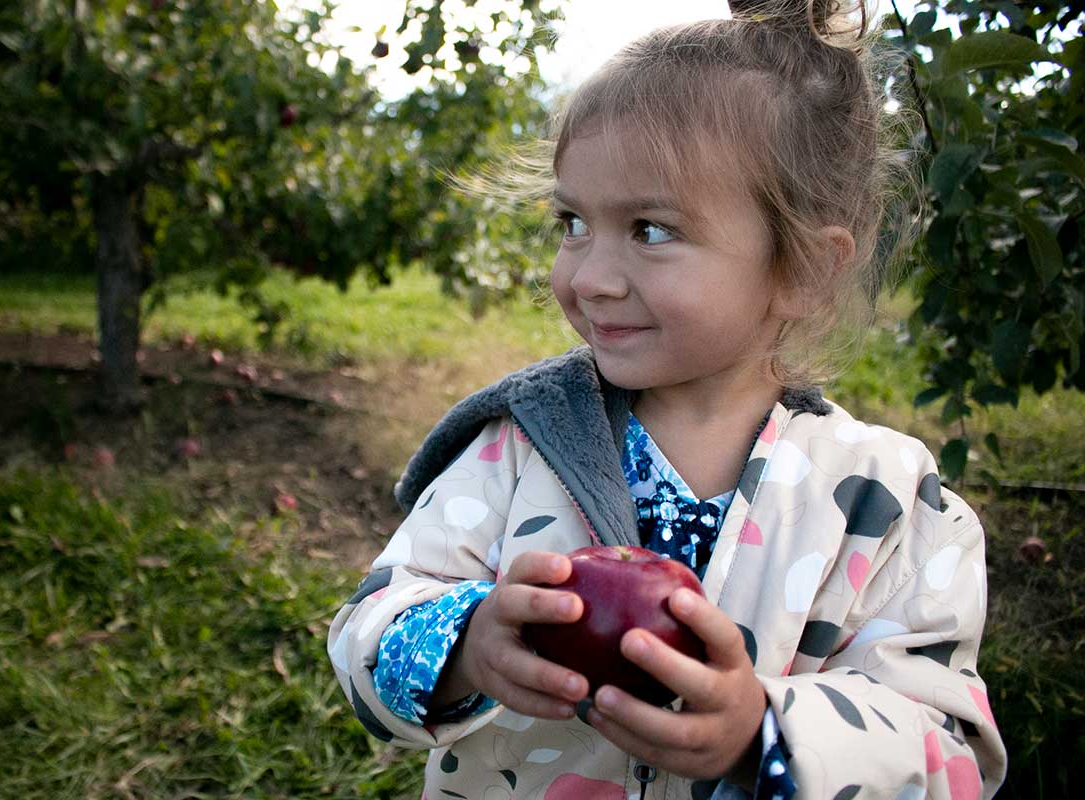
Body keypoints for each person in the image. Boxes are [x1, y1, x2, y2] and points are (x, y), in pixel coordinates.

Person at [327, 1, 1007, 797]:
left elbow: (949, 752)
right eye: (573, 221)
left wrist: (762, 729)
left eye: (650, 229)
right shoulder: (521, 446)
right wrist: (468, 642)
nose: (588, 277)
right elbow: (370, 623)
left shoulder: (885, 504)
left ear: (805, 269)